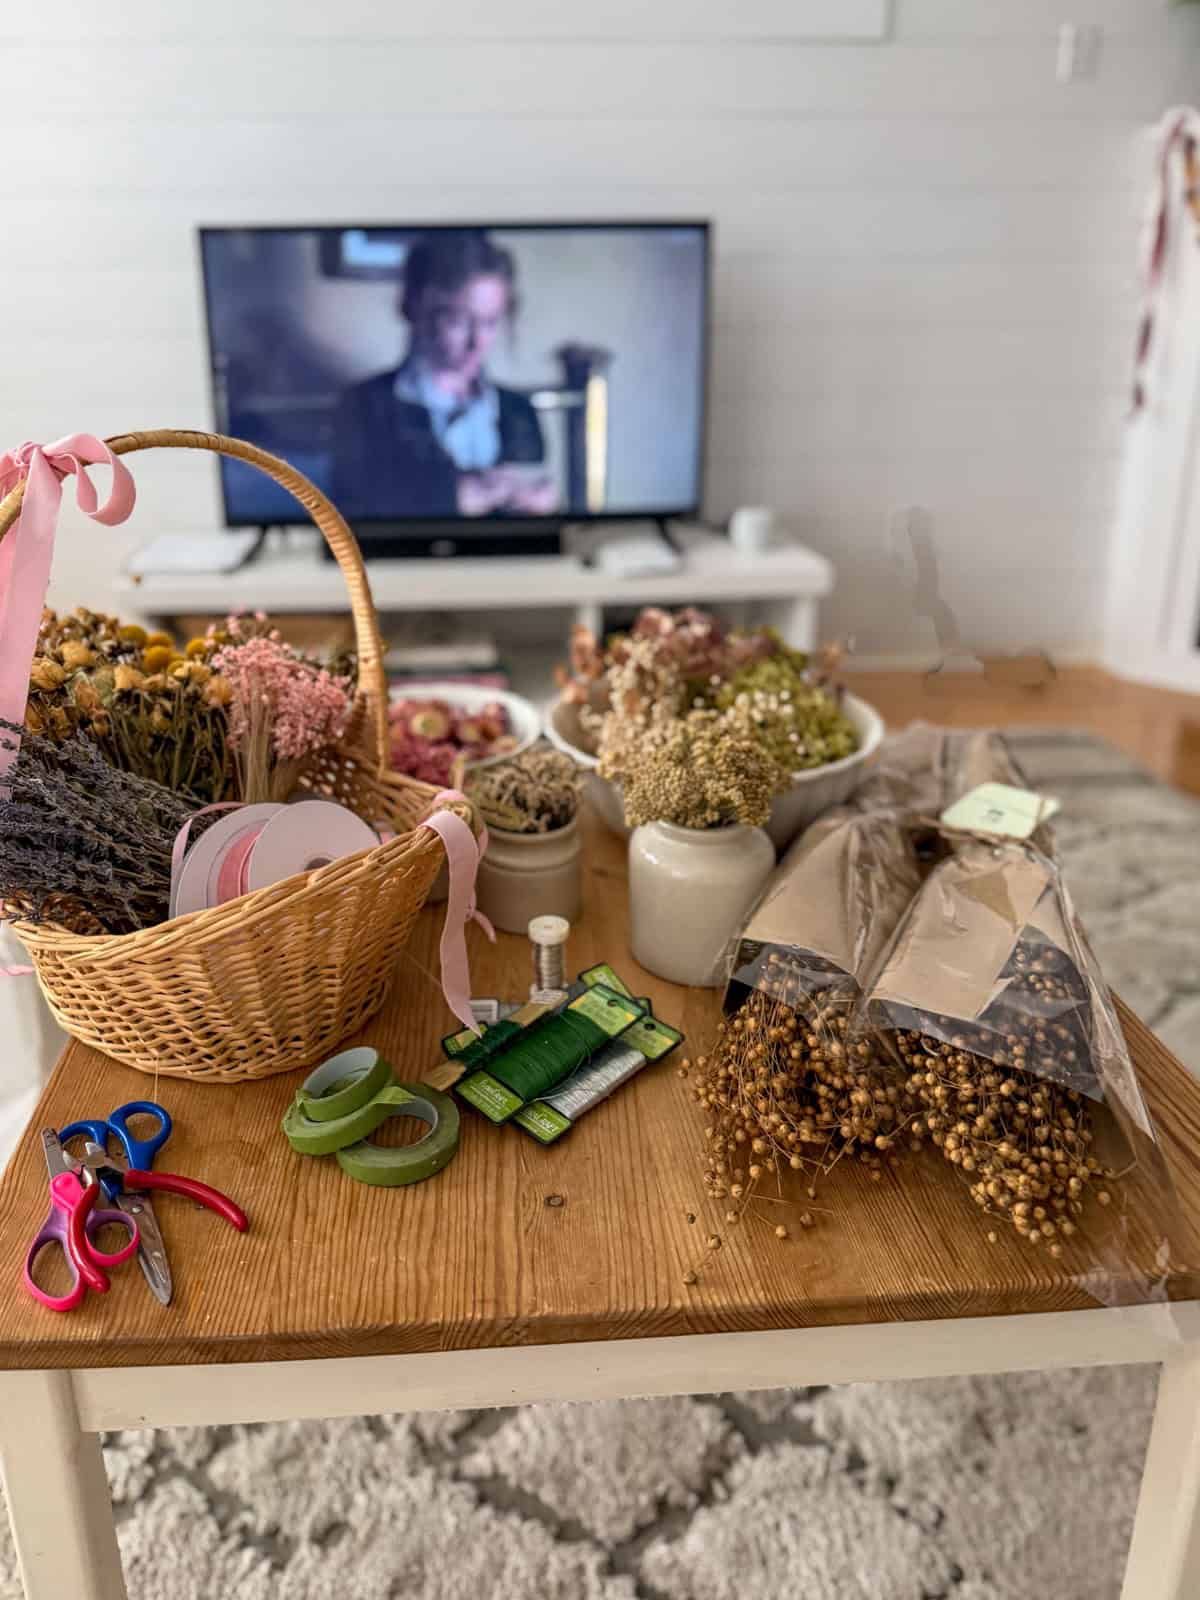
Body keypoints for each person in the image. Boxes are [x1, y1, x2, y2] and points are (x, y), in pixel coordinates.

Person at [332, 231, 557, 520]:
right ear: (414, 308)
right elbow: (345, 516)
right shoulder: (365, 407)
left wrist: (543, 506)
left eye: (490, 322)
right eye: (459, 320)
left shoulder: (519, 412)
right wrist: (451, 497)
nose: (478, 342)